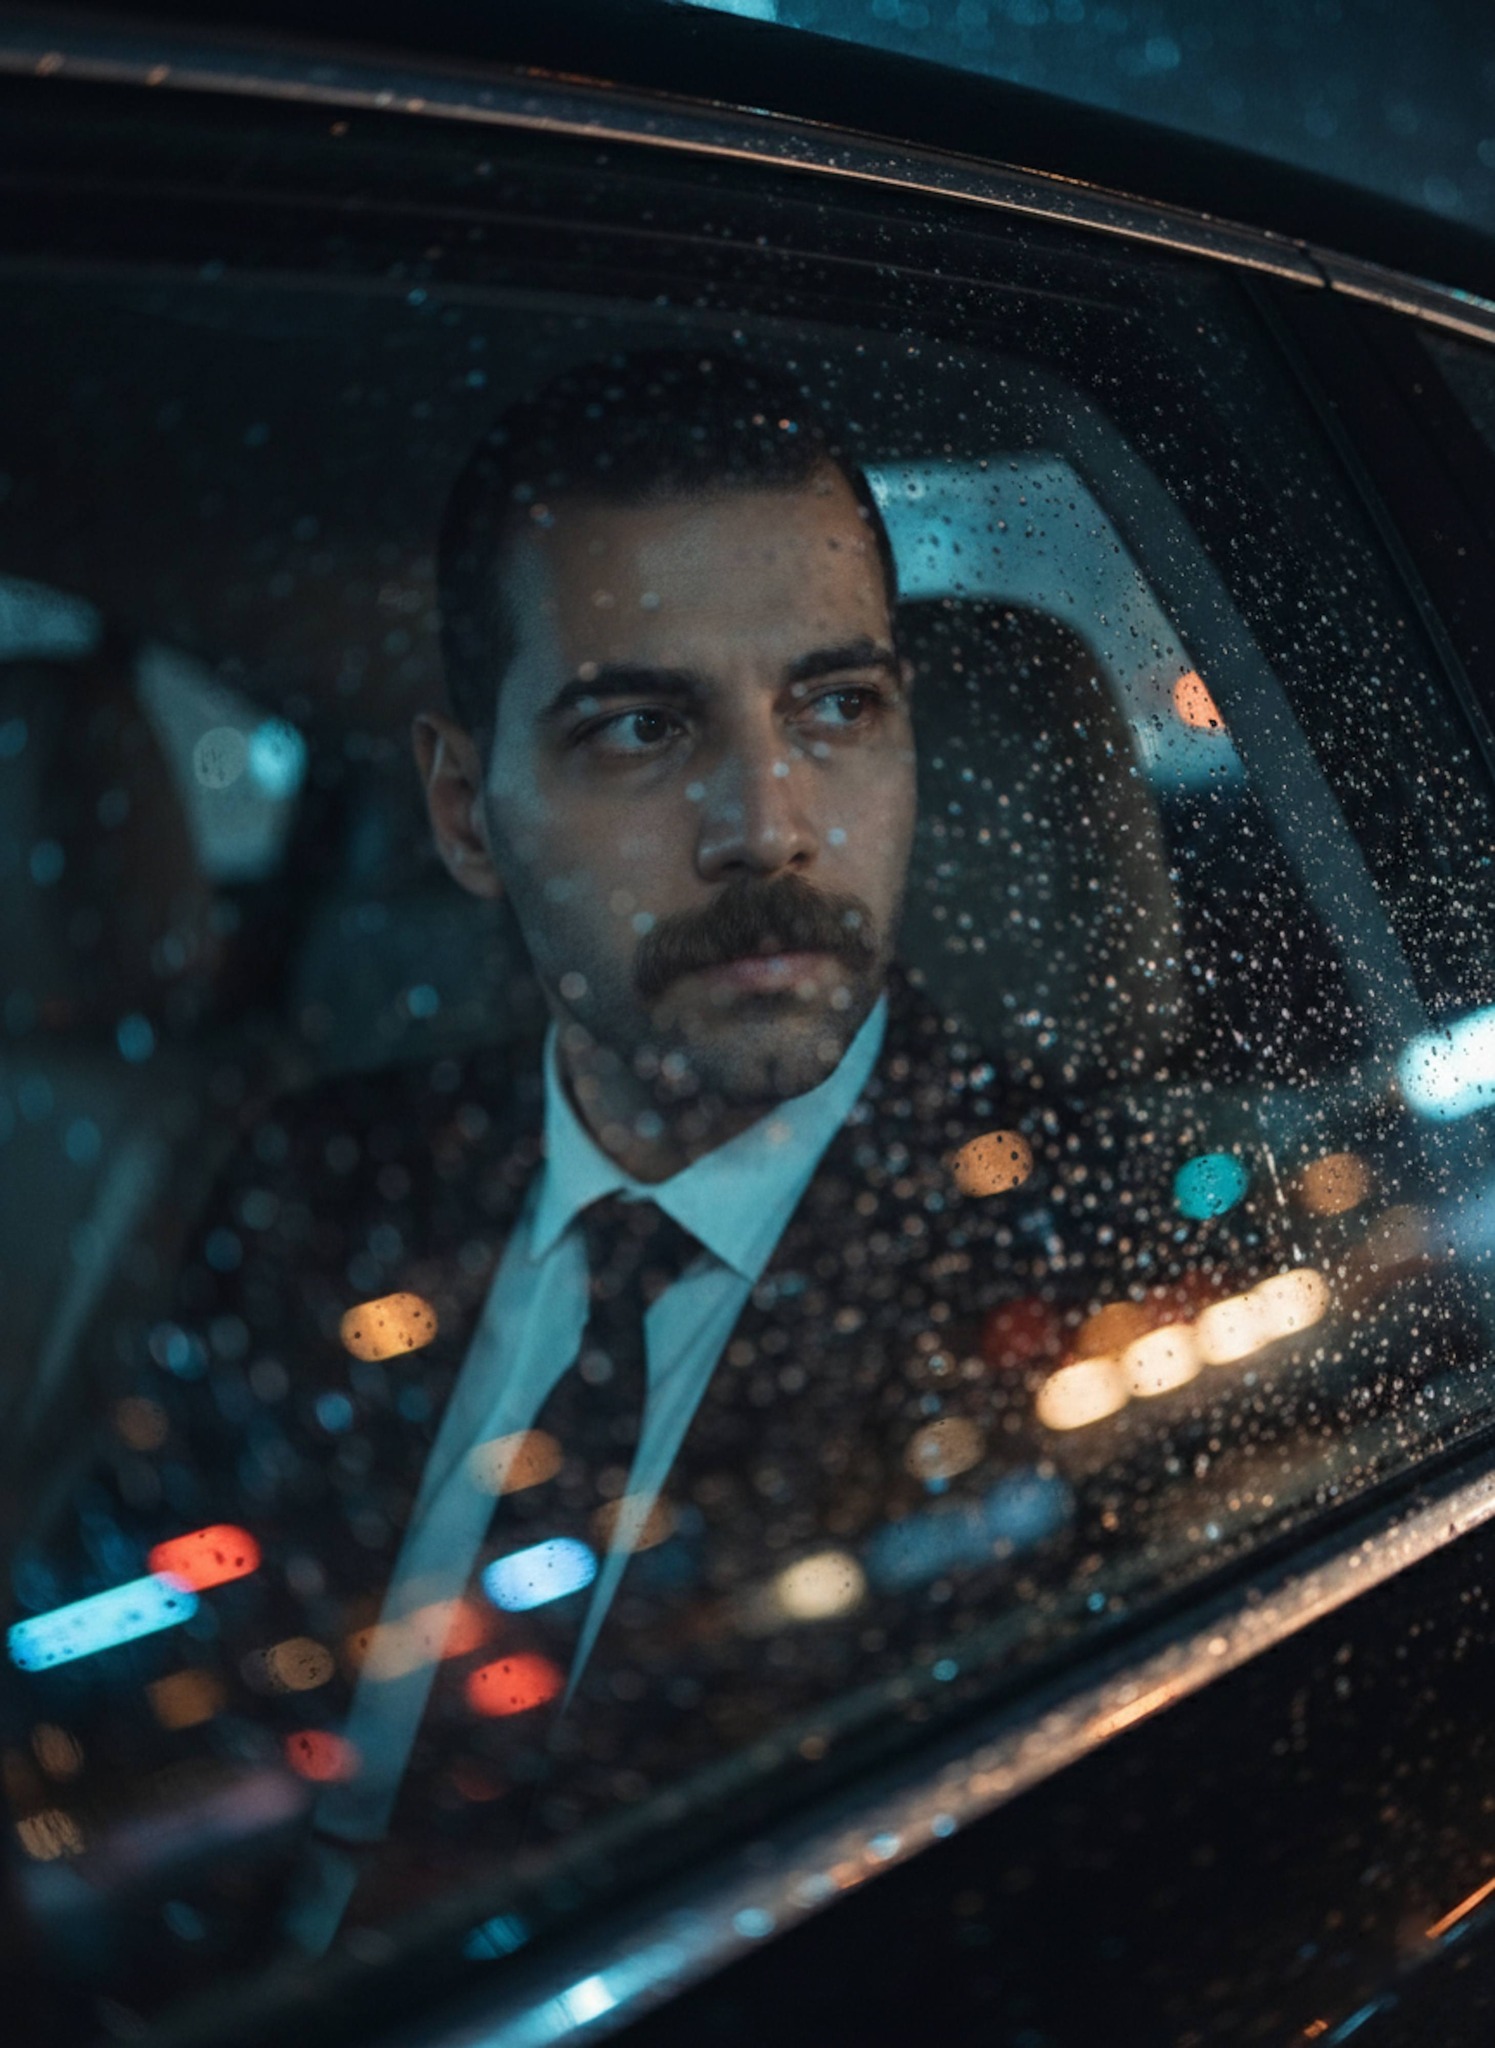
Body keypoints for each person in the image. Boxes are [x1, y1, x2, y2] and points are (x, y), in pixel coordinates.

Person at [4, 354, 1102, 2002]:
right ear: (464, 810)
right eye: (644, 728)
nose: (767, 824)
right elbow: (109, 1640)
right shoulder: (321, 1177)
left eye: (835, 707)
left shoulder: (1077, 1232)